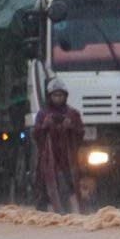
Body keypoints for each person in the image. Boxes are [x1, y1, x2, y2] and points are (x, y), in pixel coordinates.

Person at [31, 81, 85, 214]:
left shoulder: (73, 114)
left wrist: (71, 127)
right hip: (49, 160)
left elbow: (81, 134)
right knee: (46, 189)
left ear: (65, 96)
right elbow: (36, 135)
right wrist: (44, 126)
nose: (58, 98)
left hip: (67, 160)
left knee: (68, 188)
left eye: (60, 95)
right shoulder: (43, 114)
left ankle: (68, 214)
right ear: (50, 96)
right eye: (55, 95)